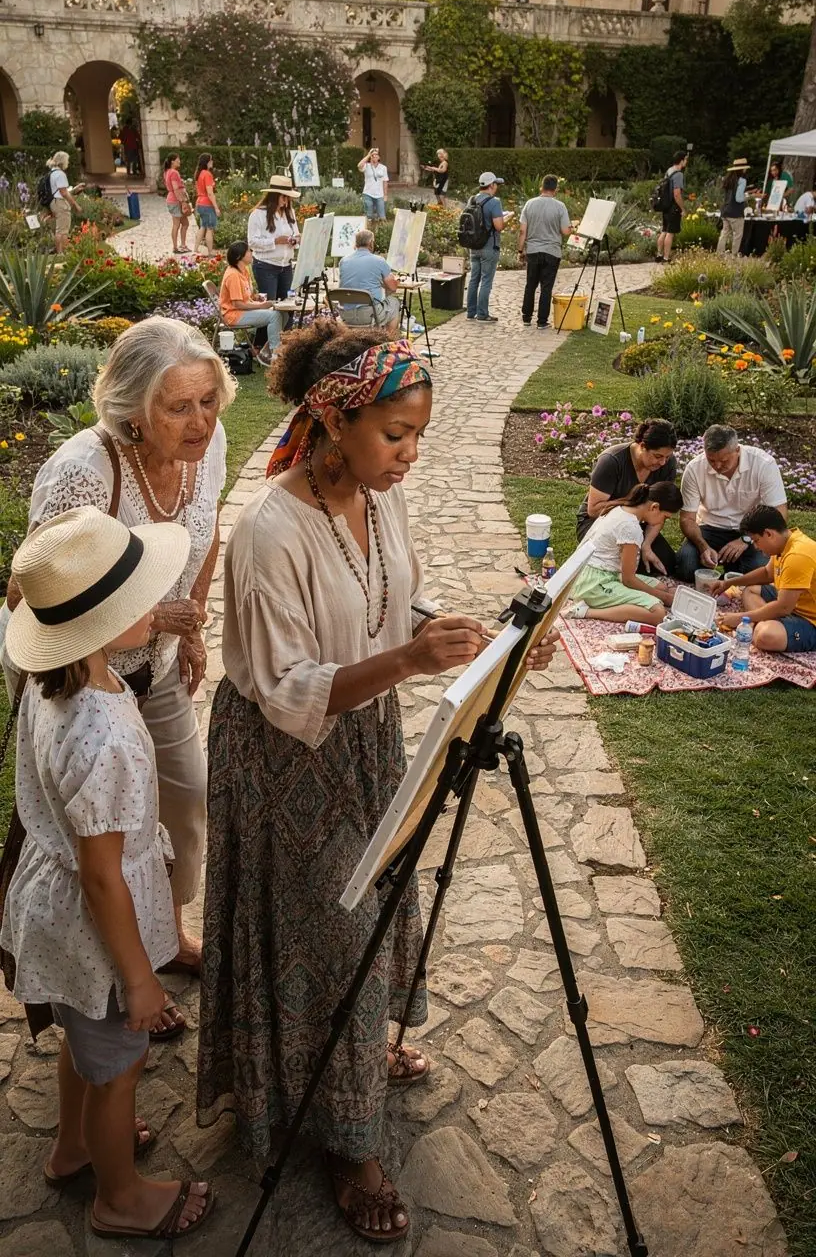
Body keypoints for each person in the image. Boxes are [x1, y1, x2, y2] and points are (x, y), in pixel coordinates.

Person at [196, 322, 559, 1242]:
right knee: (326, 926)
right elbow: (284, 691)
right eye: (395, 435)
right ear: (333, 417)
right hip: (286, 761)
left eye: (419, 436)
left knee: (372, 905)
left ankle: (352, 1055)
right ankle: (348, 1138)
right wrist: (406, 657)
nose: (408, 454)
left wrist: (470, 637)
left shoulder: (375, 496)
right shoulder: (271, 531)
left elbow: (385, 602)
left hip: (362, 741)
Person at [8, 317, 236, 1028]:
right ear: (133, 409)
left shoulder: (212, 443)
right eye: (179, 407)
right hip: (85, 686)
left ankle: (161, 938)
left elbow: (207, 529)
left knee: (185, 803)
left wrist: (190, 624)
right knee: (93, 841)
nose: (200, 421)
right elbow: (32, 591)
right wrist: (142, 617)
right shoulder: (84, 467)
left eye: (209, 400)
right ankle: (99, 988)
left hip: (158, 668)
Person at [0, 507, 214, 1242]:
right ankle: (119, 1198)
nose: (153, 611)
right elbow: (102, 877)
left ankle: (74, 1149)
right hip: (98, 933)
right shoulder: (105, 734)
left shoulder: (50, 684)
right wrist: (143, 979)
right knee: (120, 1064)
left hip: (61, 922)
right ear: (96, 627)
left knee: (82, 1039)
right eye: (139, 605)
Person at [676, 424, 787, 583]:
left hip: (751, 531)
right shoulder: (694, 468)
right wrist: (703, 547)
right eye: (711, 460)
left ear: (737, 450)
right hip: (709, 528)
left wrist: (745, 539)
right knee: (685, 565)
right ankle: (723, 567)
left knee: (760, 571)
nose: (718, 466)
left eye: (724, 460)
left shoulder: (763, 464)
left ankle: (733, 571)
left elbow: (779, 514)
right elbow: (687, 519)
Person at [568, 482, 683, 623]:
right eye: (665, 518)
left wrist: (661, 593)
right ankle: (585, 611)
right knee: (658, 612)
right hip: (592, 583)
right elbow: (629, 580)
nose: (662, 522)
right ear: (655, 507)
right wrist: (664, 598)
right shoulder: (630, 527)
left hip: (603, 573)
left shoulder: (623, 508)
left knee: (662, 587)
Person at [576, 419, 679, 576]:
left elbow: (660, 510)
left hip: (638, 522)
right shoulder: (612, 460)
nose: (663, 462)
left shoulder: (667, 464)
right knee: (628, 566)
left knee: (666, 563)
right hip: (599, 522)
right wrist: (634, 504)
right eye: (658, 456)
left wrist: (646, 544)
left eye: (667, 457)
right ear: (642, 446)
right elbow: (594, 509)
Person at [713, 506, 816, 653]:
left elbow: (783, 608)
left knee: (764, 636)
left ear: (768, 534)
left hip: (809, 619)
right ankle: (762, 621)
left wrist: (741, 618)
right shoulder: (786, 541)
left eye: (756, 541)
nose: (755, 547)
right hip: (794, 603)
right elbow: (767, 573)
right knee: (751, 590)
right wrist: (729, 583)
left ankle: (761, 624)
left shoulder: (797, 556)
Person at [247, 176, 301, 351]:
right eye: (283, 197)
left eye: (288, 197)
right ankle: (260, 345)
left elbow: (297, 235)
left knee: (288, 304)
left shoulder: (289, 213)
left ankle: (284, 342)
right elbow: (252, 242)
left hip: (286, 265)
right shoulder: (258, 215)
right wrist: (275, 241)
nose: (286, 201)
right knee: (268, 306)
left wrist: (294, 241)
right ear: (274, 196)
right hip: (266, 265)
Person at [518, 175, 572, 329]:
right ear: (556, 189)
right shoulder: (560, 206)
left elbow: (523, 231)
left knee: (530, 285)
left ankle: (526, 317)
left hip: (533, 251)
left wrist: (520, 250)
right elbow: (565, 231)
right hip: (552, 252)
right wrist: (571, 228)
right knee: (546, 287)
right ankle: (542, 321)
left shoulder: (529, 204)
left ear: (541, 186)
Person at [219, 241, 278, 364]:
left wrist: (256, 298)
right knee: (275, 316)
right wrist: (262, 306)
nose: (252, 253)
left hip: (243, 311)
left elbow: (246, 296)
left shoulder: (244, 271)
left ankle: (265, 351)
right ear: (239, 256)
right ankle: (274, 355)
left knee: (282, 313)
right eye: (248, 251)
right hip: (234, 315)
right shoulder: (233, 275)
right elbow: (237, 304)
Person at [338, 228, 401, 327]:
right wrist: (396, 281)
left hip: (346, 314)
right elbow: (392, 287)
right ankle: (389, 339)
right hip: (370, 314)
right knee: (394, 302)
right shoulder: (379, 260)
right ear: (371, 242)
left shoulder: (343, 261)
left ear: (356, 243)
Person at [466, 171, 505, 324]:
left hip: (473, 246)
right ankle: (482, 314)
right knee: (486, 280)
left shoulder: (472, 199)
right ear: (492, 185)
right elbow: (499, 226)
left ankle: (471, 312)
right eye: (496, 184)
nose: (497, 187)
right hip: (489, 246)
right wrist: (505, 219)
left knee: (474, 279)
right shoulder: (494, 202)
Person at [46, 152, 84, 255]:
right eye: (67, 160)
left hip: (54, 202)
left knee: (60, 229)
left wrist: (75, 189)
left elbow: (60, 191)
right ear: (63, 161)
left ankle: (60, 252)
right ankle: (61, 253)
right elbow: (63, 193)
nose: (68, 162)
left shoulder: (52, 173)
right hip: (60, 203)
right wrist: (75, 205)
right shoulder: (60, 174)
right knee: (62, 230)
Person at [655, 150, 688, 264]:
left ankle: (659, 255)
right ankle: (666, 257)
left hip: (665, 205)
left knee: (664, 230)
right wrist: (683, 209)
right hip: (673, 206)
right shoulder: (678, 174)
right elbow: (677, 194)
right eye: (686, 159)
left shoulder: (669, 170)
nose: (686, 162)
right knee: (670, 233)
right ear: (681, 160)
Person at [717, 157, 749, 257]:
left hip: (725, 210)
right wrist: (748, 196)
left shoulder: (728, 179)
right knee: (737, 234)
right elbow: (739, 198)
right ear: (742, 169)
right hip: (735, 212)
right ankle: (734, 255)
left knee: (724, 233)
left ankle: (719, 254)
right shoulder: (742, 181)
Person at [163, 155, 190, 255]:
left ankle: (183, 245)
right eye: (178, 160)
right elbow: (176, 189)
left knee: (185, 223)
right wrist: (182, 201)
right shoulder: (174, 172)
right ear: (172, 161)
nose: (179, 161)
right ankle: (175, 247)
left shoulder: (167, 172)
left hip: (172, 200)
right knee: (176, 224)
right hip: (176, 201)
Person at [194, 154, 220, 255]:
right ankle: (210, 251)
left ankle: (195, 249)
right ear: (207, 162)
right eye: (211, 160)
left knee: (203, 226)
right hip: (207, 205)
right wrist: (216, 207)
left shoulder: (199, 173)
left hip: (200, 203)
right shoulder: (207, 174)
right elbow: (210, 192)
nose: (212, 162)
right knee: (210, 228)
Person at [358, 146, 389, 224]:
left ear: (379, 157)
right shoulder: (366, 166)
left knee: (382, 217)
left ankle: (382, 231)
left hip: (379, 195)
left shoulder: (383, 168)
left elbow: (385, 181)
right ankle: (368, 232)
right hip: (368, 193)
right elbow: (359, 165)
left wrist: (385, 195)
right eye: (373, 155)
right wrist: (368, 154)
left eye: (376, 155)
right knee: (369, 216)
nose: (374, 157)